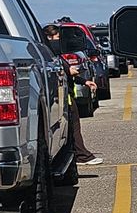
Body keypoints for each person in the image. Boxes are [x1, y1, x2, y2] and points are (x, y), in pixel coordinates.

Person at [43, 23, 103, 166]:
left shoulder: (55, 56)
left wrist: (85, 82)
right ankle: (82, 155)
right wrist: (72, 71)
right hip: (63, 97)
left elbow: (70, 73)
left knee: (72, 126)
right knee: (73, 126)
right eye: (55, 38)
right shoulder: (50, 57)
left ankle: (76, 153)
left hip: (66, 94)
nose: (57, 41)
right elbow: (68, 71)